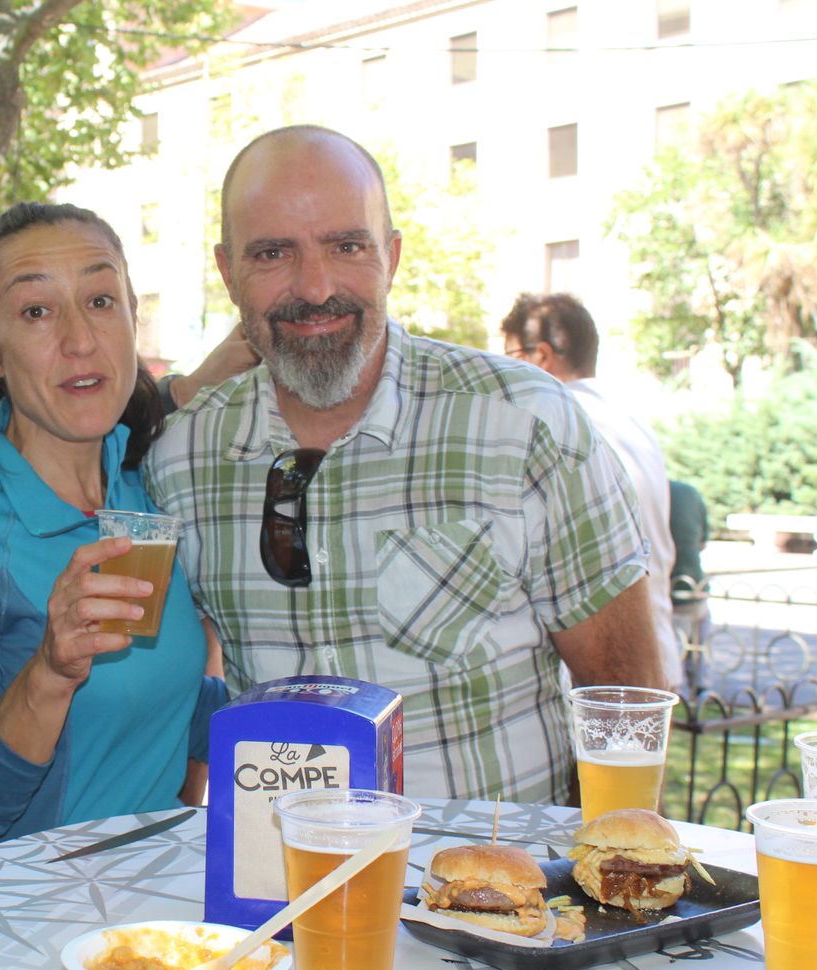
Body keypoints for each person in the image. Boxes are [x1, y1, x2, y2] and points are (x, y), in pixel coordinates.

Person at [145, 125, 664, 805]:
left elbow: (622, 699)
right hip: (280, 898)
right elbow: (188, 694)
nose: (315, 285)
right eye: (273, 253)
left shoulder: (523, 422)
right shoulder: (181, 461)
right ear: (228, 272)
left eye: (347, 245)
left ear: (390, 256)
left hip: (499, 900)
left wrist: (614, 881)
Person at [0, 203, 224, 853]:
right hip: (35, 917)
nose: (80, 338)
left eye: (101, 299)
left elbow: (155, 705)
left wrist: (279, 712)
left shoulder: (154, 488)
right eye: (36, 310)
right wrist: (51, 671)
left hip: (163, 903)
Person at [500, 292, 682, 692]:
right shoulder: (631, 419)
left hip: (596, 664)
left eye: (509, 353)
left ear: (541, 356)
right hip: (653, 652)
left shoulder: (555, 424)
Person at [668, 478, 713, 694]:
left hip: (671, 592)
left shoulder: (655, 491)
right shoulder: (689, 492)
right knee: (694, 649)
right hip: (694, 587)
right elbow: (702, 542)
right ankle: (698, 687)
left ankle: (686, 693)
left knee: (675, 654)